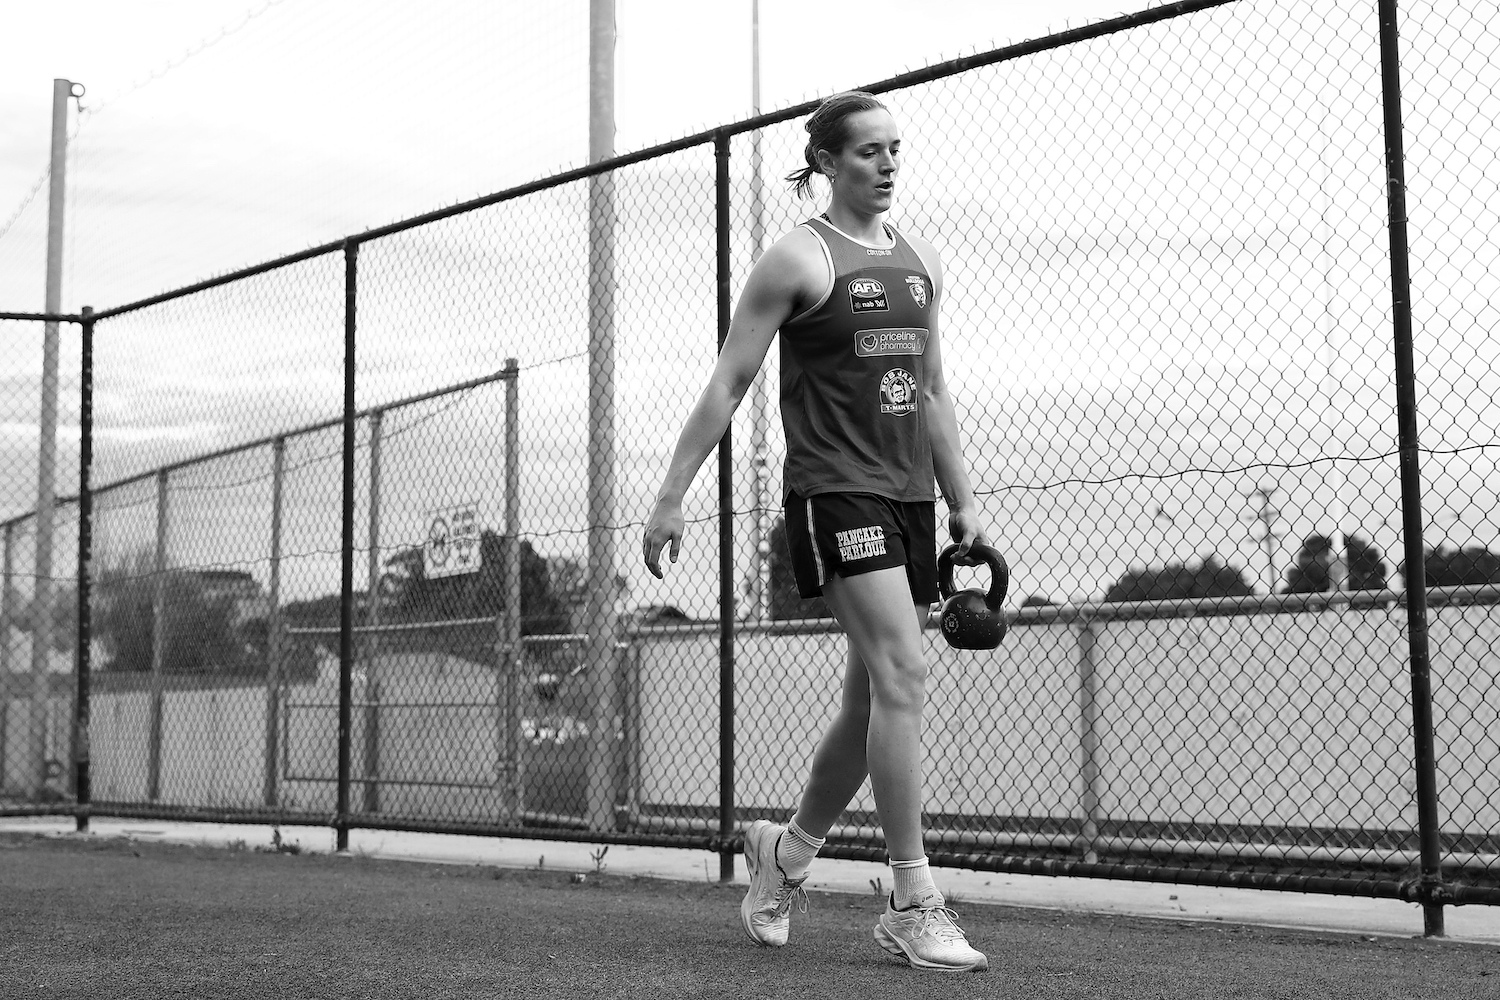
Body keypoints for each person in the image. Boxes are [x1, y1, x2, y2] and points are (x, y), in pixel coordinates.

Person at [641, 90, 991, 973]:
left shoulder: (922, 262)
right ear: (828, 164)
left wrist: (964, 506)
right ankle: (912, 900)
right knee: (906, 673)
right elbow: (729, 382)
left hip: (908, 500)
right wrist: (671, 496)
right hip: (833, 494)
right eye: (868, 151)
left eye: (894, 150)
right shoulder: (797, 258)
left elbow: (935, 390)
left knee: (871, 698)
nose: (886, 164)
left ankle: (786, 856)